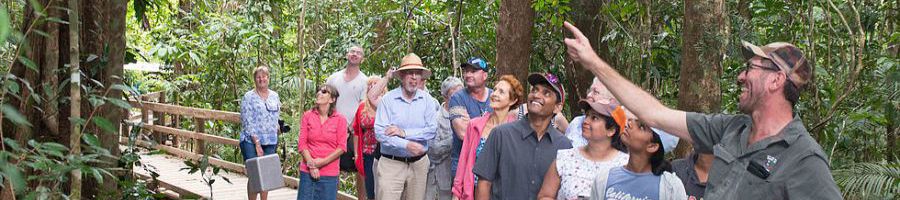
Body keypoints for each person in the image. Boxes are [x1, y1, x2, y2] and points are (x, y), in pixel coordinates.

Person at [564, 21, 842, 199]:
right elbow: (654, 114)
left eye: (751, 69)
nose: (741, 77)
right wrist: (594, 62)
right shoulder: (731, 128)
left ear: (776, 80)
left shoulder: (804, 159)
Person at [472, 72, 573, 200]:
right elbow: (483, 184)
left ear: (557, 107)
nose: (537, 95)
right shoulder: (501, 134)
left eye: (546, 93)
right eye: (534, 90)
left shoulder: (564, 146)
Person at [374, 53, 439, 200]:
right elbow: (380, 133)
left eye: (417, 73)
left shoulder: (427, 100)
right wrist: (406, 145)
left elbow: (431, 130)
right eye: (410, 73)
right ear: (402, 76)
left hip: (419, 163)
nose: (414, 77)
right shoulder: (388, 100)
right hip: (391, 163)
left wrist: (404, 133)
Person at [537, 100, 629, 200]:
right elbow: (545, 196)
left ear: (611, 131)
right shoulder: (566, 158)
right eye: (587, 115)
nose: (585, 121)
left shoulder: (626, 165)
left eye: (594, 118)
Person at [452, 75, 525, 200]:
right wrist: (456, 193)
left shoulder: (517, 130)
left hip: (502, 194)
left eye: (501, 92)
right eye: (495, 89)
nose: (494, 94)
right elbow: (463, 160)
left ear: (512, 101)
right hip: (474, 191)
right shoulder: (475, 125)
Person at [589, 115, 687, 200]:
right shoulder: (605, 178)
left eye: (641, 127)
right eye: (632, 120)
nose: (629, 124)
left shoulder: (670, 187)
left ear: (652, 146)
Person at [297, 85, 347, 200]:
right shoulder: (308, 116)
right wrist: (312, 164)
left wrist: (322, 162)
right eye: (318, 91)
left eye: (324, 92)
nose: (319, 93)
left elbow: (341, 147)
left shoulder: (340, 119)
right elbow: (302, 144)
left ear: (332, 99)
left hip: (329, 173)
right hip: (307, 171)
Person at [239, 66, 281, 200]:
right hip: (251, 141)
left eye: (264, 76)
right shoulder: (249, 96)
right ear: (255, 80)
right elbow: (247, 120)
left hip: (270, 141)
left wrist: (277, 128)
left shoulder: (274, 95)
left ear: (268, 78)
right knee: (255, 175)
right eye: (258, 77)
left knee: (266, 174)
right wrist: (256, 143)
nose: (261, 79)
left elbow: (276, 116)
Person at [449, 57, 493, 181]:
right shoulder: (457, 98)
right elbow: (463, 133)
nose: (468, 75)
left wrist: (473, 124)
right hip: (463, 167)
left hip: (490, 167)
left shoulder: (495, 97)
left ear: (484, 75)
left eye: (473, 71)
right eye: (466, 71)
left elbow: (503, 132)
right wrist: (490, 126)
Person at [425, 77, 464, 200]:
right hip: (441, 179)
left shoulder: (468, 115)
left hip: (464, 176)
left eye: (462, 94)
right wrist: (460, 137)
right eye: (454, 95)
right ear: (445, 97)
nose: (459, 98)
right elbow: (433, 150)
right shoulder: (436, 118)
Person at [352, 76, 389, 200]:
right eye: (370, 84)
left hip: (384, 153)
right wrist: (357, 155)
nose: (372, 86)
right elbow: (356, 131)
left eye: (376, 84)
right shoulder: (362, 106)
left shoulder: (387, 104)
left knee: (384, 187)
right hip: (367, 153)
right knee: (370, 187)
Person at [564, 78, 618, 148]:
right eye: (589, 91)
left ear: (611, 101)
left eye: (596, 92)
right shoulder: (577, 123)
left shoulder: (623, 133)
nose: (589, 95)